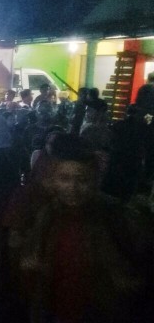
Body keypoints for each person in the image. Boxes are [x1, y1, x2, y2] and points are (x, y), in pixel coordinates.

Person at [13, 138, 154, 322]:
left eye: (82, 179)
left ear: (94, 181)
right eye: (64, 179)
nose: (73, 187)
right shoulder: (46, 215)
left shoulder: (115, 216)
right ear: (53, 180)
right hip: (53, 311)